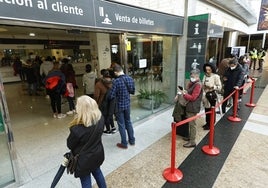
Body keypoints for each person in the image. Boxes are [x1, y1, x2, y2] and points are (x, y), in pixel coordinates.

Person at [67, 95, 107, 188]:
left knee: (85, 180)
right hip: (97, 154)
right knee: (98, 173)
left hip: (84, 161)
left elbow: (69, 145)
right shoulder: (100, 119)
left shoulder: (77, 129)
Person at [109, 64, 135, 149]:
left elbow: (111, 96)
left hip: (119, 106)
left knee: (121, 124)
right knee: (128, 122)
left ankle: (124, 143)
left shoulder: (116, 81)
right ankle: (132, 140)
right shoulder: (130, 79)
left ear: (116, 72)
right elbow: (132, 91)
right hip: (127, 104)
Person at [181, 69, 203, 148]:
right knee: (190, 123)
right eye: (191, 76)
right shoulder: (193, 83)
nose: (191, 77)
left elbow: (193, 97)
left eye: (193, 76)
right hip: (190, 106)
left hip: (193, 107)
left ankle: (192, 141)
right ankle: (190, 137)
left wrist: (184, 94)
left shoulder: (198, 85)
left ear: (197, 76)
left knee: (192, 124)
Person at [202, 63, 222, 130]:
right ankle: (207, 123)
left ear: (212, 69)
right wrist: (204, 86)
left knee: (212, 110)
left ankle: (211, 124)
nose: (207, 71)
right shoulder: (205, 76)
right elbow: (202, 84)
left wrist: (213, 87)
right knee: (206, 110)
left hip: (212, 95)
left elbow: (219, 87)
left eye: (209, 70)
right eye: (206, 70)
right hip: (206, 95)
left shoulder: (216, 76)